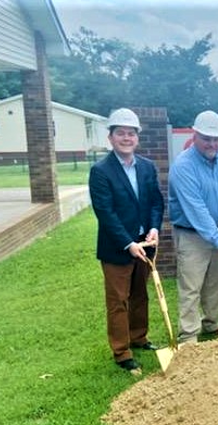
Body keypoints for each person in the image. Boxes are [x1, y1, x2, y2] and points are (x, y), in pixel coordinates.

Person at [89, 108, 165, 373]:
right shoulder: (101, 171)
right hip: (118, 248)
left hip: (145, 244)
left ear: (137, 138)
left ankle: (139, 337)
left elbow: (156, 201)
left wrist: (154, 228)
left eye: (131, 133)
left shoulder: (147, 166)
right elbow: (105, 213)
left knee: (140, 294)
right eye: (120, 133)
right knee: (118, 300)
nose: (126, 138)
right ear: (110, 137)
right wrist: (127, 243)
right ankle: (122, 351)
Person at [168, 110, 218, 344]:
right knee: (191, 285)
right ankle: (189, 336)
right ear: (195, 136)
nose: (211, 144)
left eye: (216, 139)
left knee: (216, 282)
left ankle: (212, 323)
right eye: (206, 138)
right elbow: (196, 210)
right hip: (192, 235)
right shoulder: (183, 166)